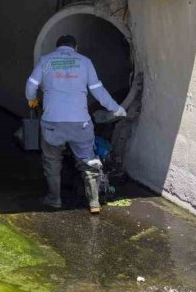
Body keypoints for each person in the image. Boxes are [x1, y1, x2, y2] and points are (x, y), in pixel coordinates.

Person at [25, 35, 126, 214]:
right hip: (81, 123)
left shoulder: (45, 60)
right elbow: (97, 90)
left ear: (57, 47)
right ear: (75, 47)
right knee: (88, 161)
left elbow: (31, 86)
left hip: (53, 123)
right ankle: (94, 203)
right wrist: (116, 108)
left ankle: (54, 199)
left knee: (52, 160)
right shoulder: (85, 62)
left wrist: (32, 101)